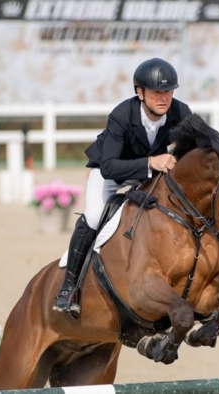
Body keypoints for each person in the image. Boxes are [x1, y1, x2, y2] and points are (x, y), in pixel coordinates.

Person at [53, 58, 193, 319]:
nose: (164, 98)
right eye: (156, 92)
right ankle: (68, 288)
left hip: (148, 177)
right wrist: (151, 162)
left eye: (168, 91)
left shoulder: (181, 113)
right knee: (95, 215)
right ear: (140, 93)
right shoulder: (121, 115)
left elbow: (200, 146)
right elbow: (109, 167)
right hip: (111, 173)